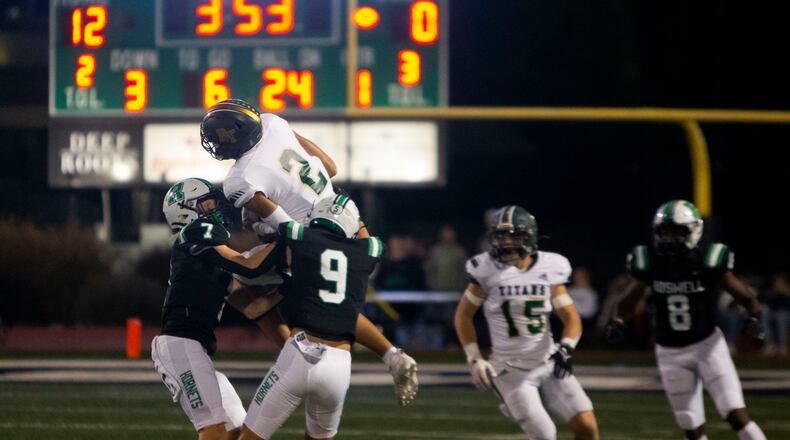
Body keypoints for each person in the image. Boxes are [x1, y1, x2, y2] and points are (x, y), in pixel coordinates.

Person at [200, 99, 418, 405]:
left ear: (232, 135)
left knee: (241, 284)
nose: (211, 143)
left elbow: (287, 227)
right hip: (349, 223)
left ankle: (293, 356)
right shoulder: (273, 123)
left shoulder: (240, 178)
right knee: (333, 305)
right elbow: (329, 167)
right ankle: (393, 356)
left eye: (215, 136)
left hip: (314, 236)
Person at [605, 200, 766, 440]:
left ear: (693, 230)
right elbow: (629, 299)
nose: (670, 239)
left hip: (707, 346)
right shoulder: (650, 260)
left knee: (735, 414)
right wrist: (618, 320)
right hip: (670, 352)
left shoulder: (708, 259)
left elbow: (745, 297)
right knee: (690, 425)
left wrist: (754, 317)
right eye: (665, 232)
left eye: (677, 232)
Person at [238, 195, 385, 440]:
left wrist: (246, 192)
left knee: (250, 436)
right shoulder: (368, 250)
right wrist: (356, 219)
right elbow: (370, 240)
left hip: (299, 353)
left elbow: (274, 214)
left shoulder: (302, 237)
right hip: (339, 363)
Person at [152, 178, 284, 440]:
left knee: (237, 430)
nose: (216, 209)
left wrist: (285, 289)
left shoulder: (208, 257)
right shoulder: (195, 232)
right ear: (186, 209)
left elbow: (254, 308)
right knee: (213, 430)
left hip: (194, 348)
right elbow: (248, 266)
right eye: (208, 203)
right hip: (180, 344)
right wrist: (290, 240)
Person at [454, 206, 599, 440]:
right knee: (545, 434)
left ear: (529, 236)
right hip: (509, 370)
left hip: (548, 361)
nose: (507, 242)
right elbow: (463, 315)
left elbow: (570, 316)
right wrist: (474, 357)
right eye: (502, 236)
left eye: (514, 235)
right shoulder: (486, 270)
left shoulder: (550, 267)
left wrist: (567, 346)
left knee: (587, 427)